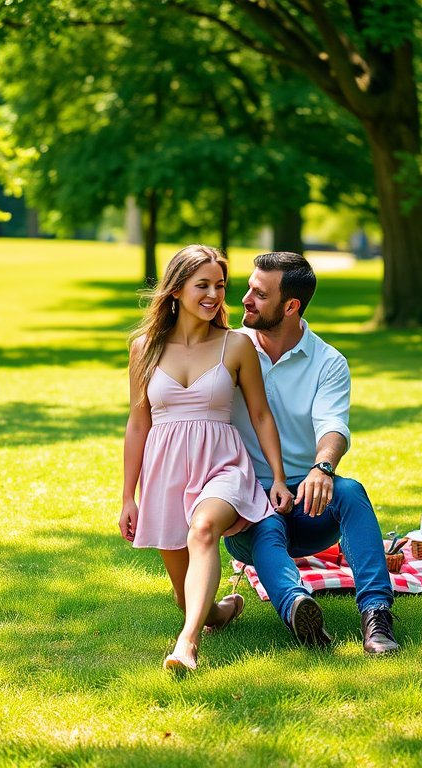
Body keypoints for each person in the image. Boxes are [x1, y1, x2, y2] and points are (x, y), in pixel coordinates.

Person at [119, 244, 294, 672]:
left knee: (202, 532)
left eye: (220, 285)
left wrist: (278, 477)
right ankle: (220, 611)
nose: (214, 295)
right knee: (186, 598)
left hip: (222, 466)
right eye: (203, 285)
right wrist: (128, 496)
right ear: (176, 290)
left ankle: (187, 646)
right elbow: (138, 423)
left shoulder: (235, 346)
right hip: (165, 473)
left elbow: (260, 415)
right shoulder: (144, 347)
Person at [224, 252, 400, 655]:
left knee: (351, 491)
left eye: (259, 294)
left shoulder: (328, 362)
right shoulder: (229, 351)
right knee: (266, 526)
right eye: (248, 288)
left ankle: (376, 616)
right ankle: (298, 608)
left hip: (308, 502)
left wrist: (323, 468)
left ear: (291, 306)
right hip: (244, 506)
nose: (246, 300)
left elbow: (333, 426)